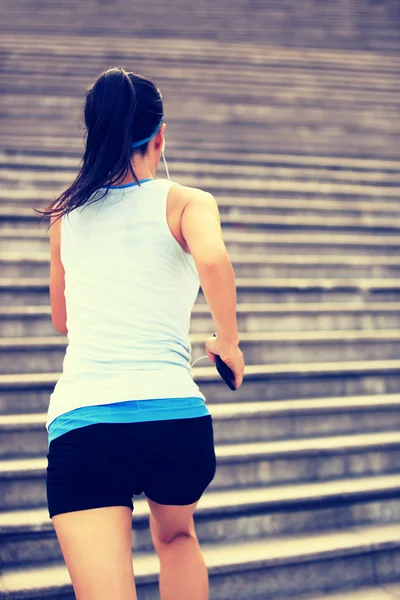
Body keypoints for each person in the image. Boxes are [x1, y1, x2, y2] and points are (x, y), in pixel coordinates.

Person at [36, 66, 245, 600]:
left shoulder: (65, 214)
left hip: (85, 423)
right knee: (176, 537)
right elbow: (215, 261)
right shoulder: (187, 202)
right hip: (174, 417)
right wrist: (228, 342)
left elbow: (62, 321)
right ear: (160, 135)